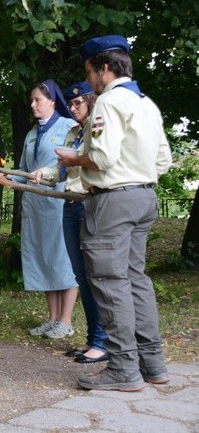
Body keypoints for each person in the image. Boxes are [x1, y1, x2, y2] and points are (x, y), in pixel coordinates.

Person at [59, 35, 172, 391]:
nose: (89, 79)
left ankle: (124, 368)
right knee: (135, 278)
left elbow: (103, 158)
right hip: (143, 197)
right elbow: (163, 161)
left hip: (112, 203)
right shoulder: (146, 104)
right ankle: (151, 363)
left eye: (90, 71)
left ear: (104, 68)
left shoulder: (109, 102)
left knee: (110, 283)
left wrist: (73, 157)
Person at [33, 82, 108, 363]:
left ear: (91, 102)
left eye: (78, 104)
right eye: (71, 104)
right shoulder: (73, 132)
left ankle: (103, 340)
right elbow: (61, 170)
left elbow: (101, 160)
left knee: (94, 276)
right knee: (79, 276)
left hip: (90, 204)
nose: (73, 108)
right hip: (70, 204)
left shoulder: (99, 129)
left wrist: (72, 157)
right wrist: (43, 172)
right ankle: (93, 340)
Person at [12, 79, 79, 339]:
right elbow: (23, 170)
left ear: (52, 100)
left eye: (37, 99)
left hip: (59, 203)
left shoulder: (68, 127)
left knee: (62, 259)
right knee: (43, 260)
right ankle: (52, 318)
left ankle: (66, 320)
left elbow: (72, 166)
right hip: (36, 205)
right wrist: (6, 179)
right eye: (31, 100)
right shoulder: (31, 133)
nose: (32, 104)